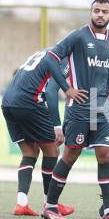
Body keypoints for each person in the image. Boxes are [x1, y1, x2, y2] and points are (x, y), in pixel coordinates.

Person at [41, 0, 109, 219]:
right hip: (79, 106)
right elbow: (50, 58)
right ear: (91, 13)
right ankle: (50, 206)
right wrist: (67, 89)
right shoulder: (78, 36)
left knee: (106, 155)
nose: (100, 15)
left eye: (104, 11)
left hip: (104, 107)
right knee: (71, 154)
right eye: (96, 11)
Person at [1, 51, 80, 217]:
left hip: (8, 101)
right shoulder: (64, 58)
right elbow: (51, 90)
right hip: (28, 101)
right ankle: (50, 204)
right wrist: (57, 126)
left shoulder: (43, 52)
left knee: (30, 152)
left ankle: (21, 203)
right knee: (52, 151)